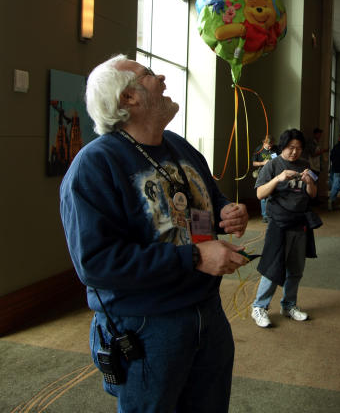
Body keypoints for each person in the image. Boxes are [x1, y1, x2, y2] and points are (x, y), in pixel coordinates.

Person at [59, 55, 250, 412]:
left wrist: (224, 210)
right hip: (146, 324)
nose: (161, 76)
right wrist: (195, 257)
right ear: (128, 98)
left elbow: (199, 200)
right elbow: (97, 264)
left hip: (206, 312)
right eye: (148, 74)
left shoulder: (179, 146)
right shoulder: (95, 164)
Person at [251, 129, 320, 328]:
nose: (294, 152)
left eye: (298, 148)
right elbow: (259, 194)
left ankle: (289, 305)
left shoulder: (305, 165)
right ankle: (259, 307)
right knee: (273, 267)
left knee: (296, 269)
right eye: (291, 148)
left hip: (300, 222)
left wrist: (309, 183)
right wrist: (278, 178)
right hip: (279, 223)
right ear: (283, 147)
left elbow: (313, 194)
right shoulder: (273, 165)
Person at [252, 134, 278, 222]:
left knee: (272, 194)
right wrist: (263, 163)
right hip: (262, 174)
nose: (270, 147)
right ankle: (265, 215)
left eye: (272, 145)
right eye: (268, 145)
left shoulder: (275, 149)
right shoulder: (258, 150)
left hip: (273, 174)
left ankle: (272, 214)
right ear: (264, 142)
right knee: (263, 196)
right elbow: (254, 163)